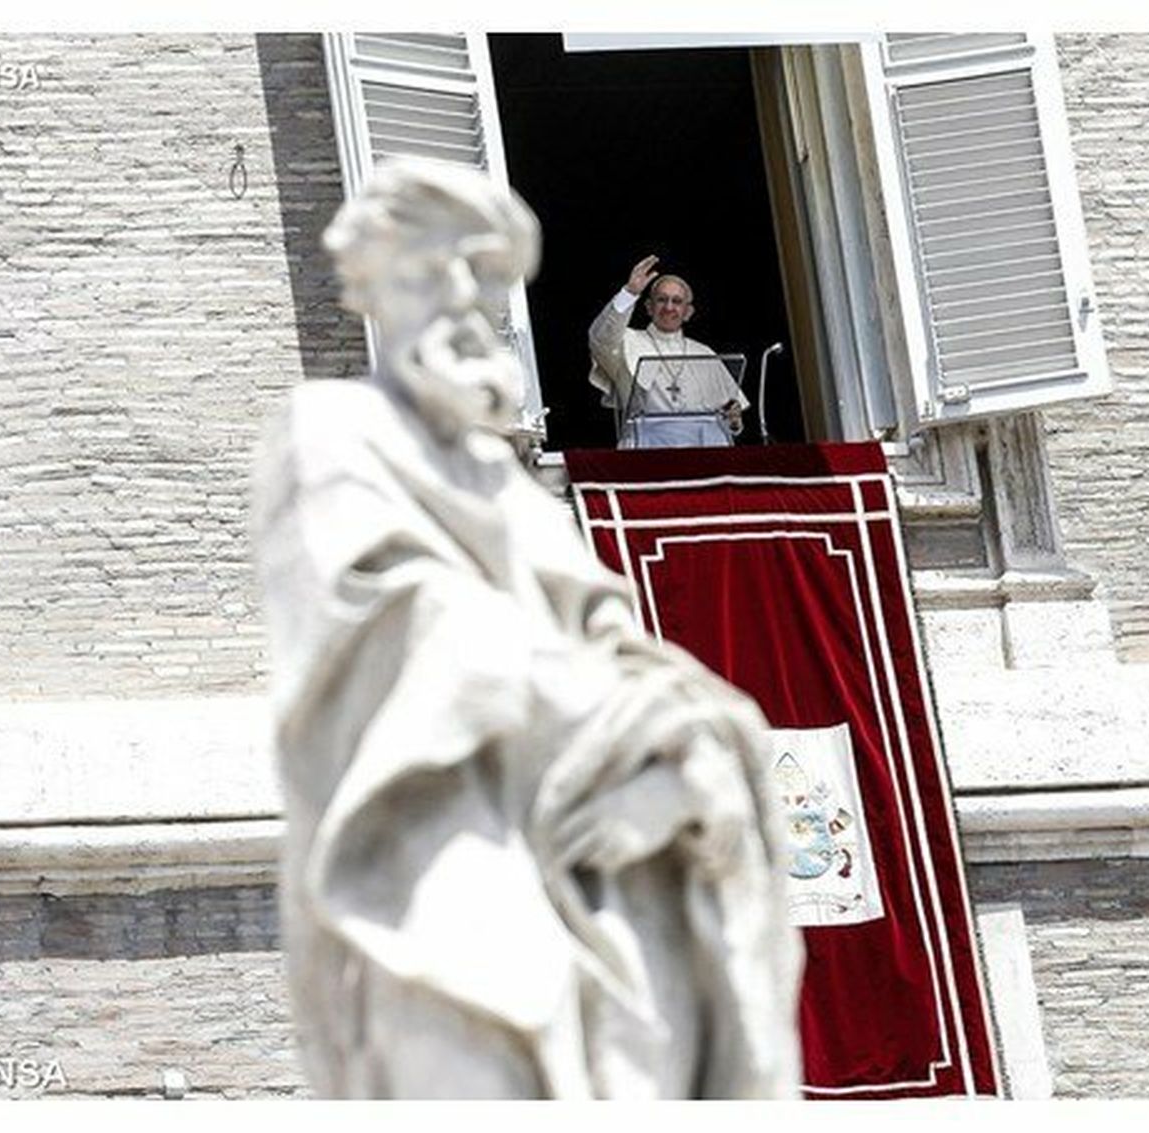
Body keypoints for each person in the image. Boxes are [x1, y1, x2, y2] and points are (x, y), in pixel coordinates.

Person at [252, 160, 803, 1098]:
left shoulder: (511, 488)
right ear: (379, 291)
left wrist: (693, 757)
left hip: (592, 876)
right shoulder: (333, 432)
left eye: (483, 280)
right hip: (444, 871)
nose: (466, 304)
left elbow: (620, 639)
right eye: (438, 274)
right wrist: (621, 725)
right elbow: (413, 625)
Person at [588, 254, 749, 448]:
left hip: (703, 447)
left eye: (677, 301)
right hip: (647, 446)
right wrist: (630, 292)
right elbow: (600, 338)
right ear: (649, 307)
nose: (669, 307)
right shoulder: (627, 341)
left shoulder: (704, 352)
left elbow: (730, 414)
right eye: (662, 300)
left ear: (688, 312)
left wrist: (733, 421)